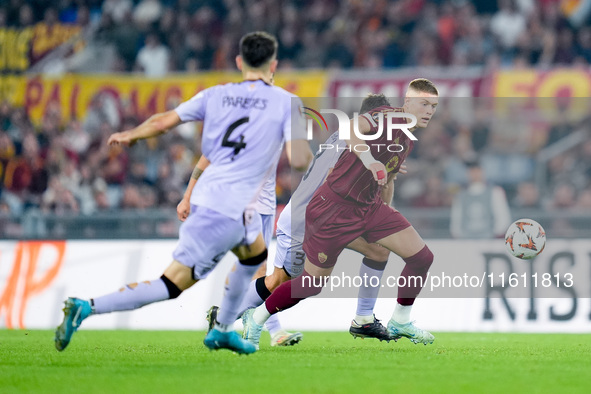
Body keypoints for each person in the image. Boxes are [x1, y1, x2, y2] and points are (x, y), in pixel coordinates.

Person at [54, 31, 313, 354]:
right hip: (232, 207)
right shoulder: (285, 102)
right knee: (175, 284)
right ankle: (92, 307)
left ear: (238, 62)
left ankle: (223, 327)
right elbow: (300, 160)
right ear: (273, 64)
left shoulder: (216, 95)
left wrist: (131, 134)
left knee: (256, 256)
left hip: (211, 199)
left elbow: (165, 121)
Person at [241, 79, 440, 351]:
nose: (429, 110)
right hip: (331, 210)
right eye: (424, 103)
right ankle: (256, 316)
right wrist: (369, 160)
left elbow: (386, 180)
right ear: (407, 103)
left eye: (434, 106)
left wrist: (387, 215)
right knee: (310, 284)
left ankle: (396, 320)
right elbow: (351, 128)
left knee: (419, 257)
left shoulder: (407, 137)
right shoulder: (387, 117)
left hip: (367, 208)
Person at [211, 94, 408, 347]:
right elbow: (332, 181)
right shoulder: (356, 144)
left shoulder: (352, 140)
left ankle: (364, 318)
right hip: (306, 221)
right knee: (285, 282)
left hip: (318, 218)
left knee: (375, 251)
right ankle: (228, 315)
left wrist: (388, 175)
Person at [450, 159, 511, 239]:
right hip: (466, 241)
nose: (475, 174)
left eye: (477, 170)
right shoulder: (461, 195)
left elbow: (503, 218)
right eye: (471, 171)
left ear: (483, 171)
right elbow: (456, 221)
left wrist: (493, 234)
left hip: (489, 240)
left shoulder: (495, 192)